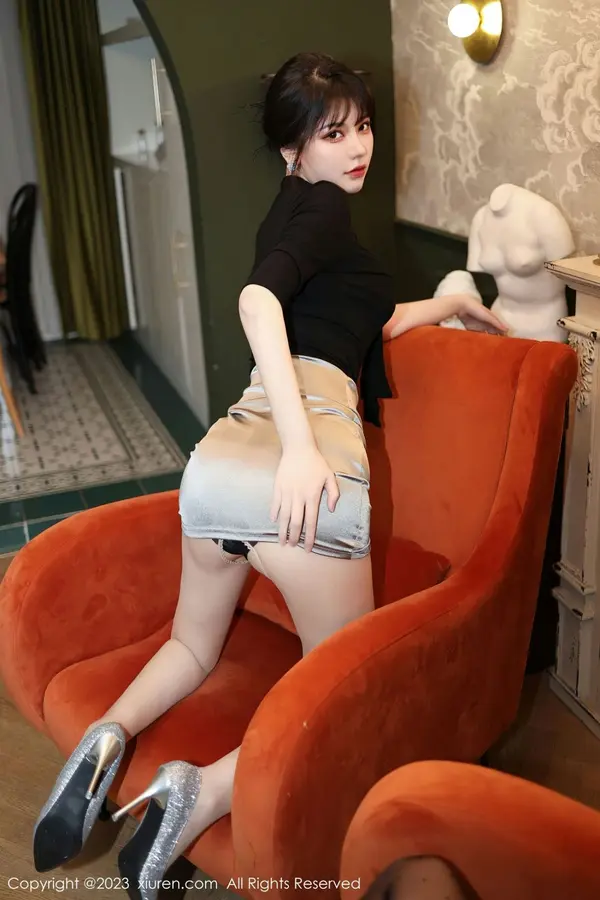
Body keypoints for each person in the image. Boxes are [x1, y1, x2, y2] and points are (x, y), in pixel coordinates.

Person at [32, 52, 507, 899]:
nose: (357, 145)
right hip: (300, 460)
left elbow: (365, 320)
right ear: (293, 150)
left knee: (191, 645)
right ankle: (201, 789)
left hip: (222, 459)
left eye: (362, 126)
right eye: (333, 134)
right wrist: (301, 448)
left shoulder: (294, 216)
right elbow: (258, 304)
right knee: (341, 690)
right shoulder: (322, 210)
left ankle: (107, 735)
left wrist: (454, 304)